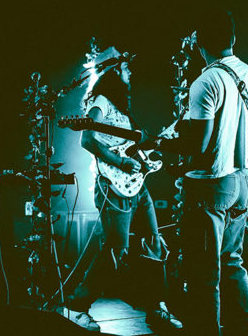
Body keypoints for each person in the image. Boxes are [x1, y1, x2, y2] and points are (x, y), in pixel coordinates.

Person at [141, 11, 248, 335]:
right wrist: (240, 147)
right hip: (243, 182)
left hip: (211, 185)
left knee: (203, 272)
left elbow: (199, 144)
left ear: (199, 44)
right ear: (233, 38)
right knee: (232, 262)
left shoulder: (206, 82)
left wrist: (157, 143)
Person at [67, 48, 182, 332]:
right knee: (115, 250)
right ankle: (77, 307)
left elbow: (130, 146)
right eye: (126, 69)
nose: (130, 73)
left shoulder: (121, 109)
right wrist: (120, 162)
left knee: (154, 242)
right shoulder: (101, 102)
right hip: (113, 186)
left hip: (137, 186)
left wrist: (156, 144)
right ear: (114, 72)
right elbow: (87, 140)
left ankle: (157, 307)